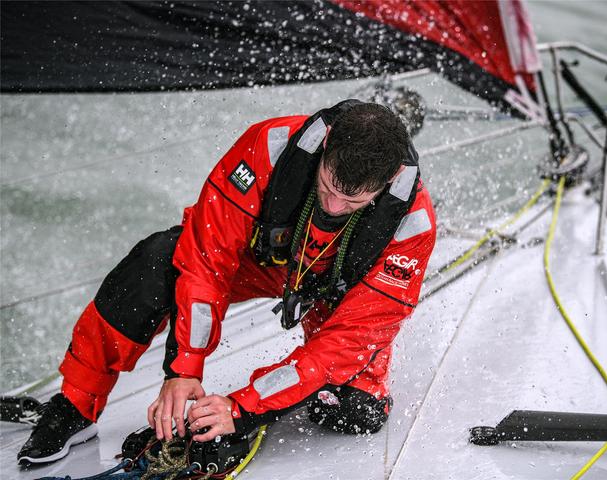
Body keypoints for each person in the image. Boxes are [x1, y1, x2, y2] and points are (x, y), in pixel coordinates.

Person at [17, 100, 436, 464]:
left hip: (337, 294)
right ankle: (75, 404)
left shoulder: (413, 226)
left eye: (352, 202)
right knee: (157, 260)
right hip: (262, 263)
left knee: (352, 413)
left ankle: (318, 397)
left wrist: (242, 408)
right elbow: (205, 259)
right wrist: (183, 369)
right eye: (327, 187)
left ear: (385, 186)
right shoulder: (268, 145)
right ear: (325, 146)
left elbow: (345, 344)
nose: (332, 205)